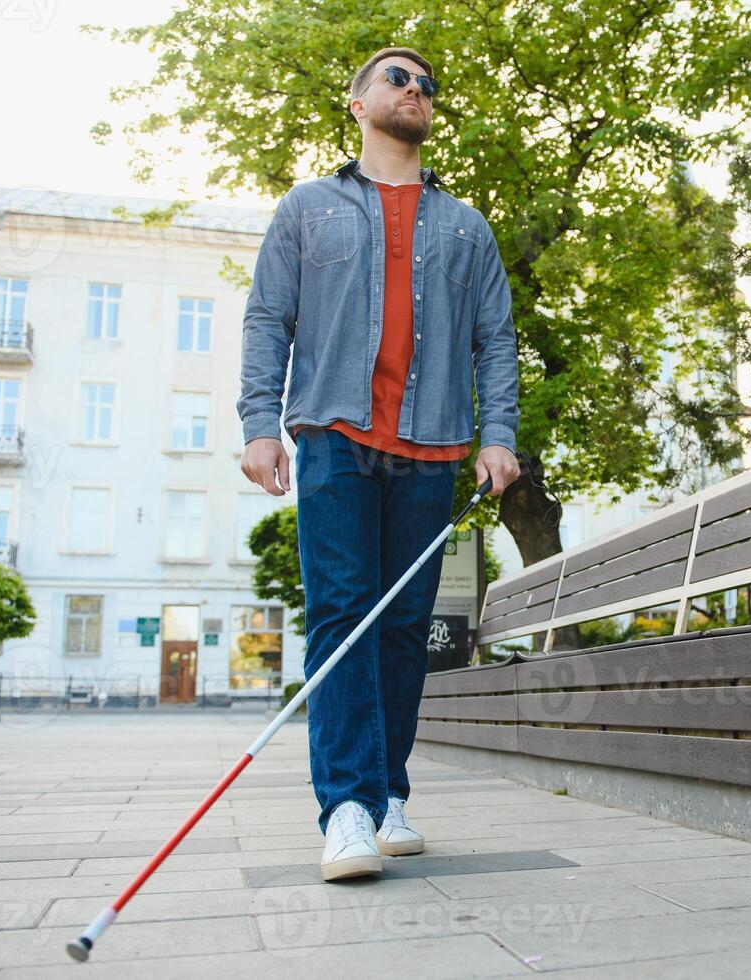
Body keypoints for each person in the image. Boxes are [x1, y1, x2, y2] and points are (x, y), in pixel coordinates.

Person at [236, 45, 521, 881]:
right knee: (341, 619)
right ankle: (348, 809)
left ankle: (388, 792)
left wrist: (497, 433)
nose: (416, 91)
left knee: (402, 632)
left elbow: (494, 340)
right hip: (334, 439)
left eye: (426, 85)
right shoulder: (308, 209)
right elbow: (266, 320)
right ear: (357, 103)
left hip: (432, 448)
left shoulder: (466, 226)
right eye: (397, 79)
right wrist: (261, 424)